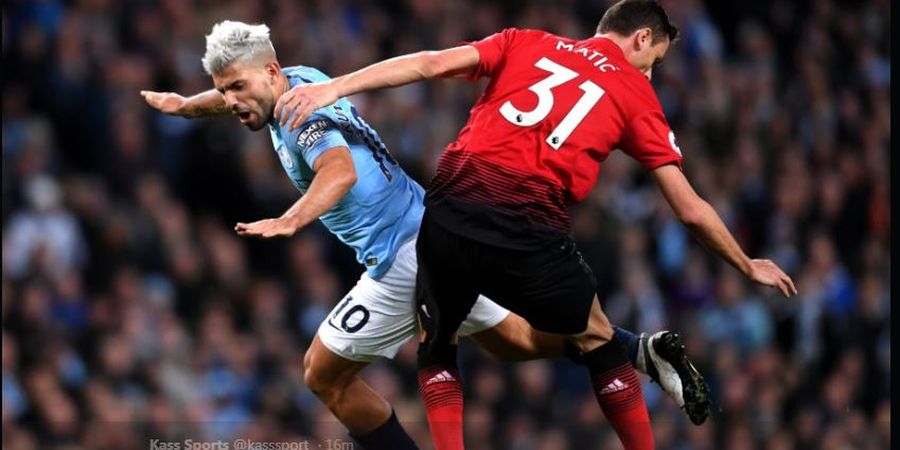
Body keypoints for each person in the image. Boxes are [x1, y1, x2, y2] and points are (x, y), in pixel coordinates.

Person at [141, 18, 712, 450]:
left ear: (269, 74)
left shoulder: (301, 120)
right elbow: (234, 96)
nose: (233, 101)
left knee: (323, 375)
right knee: (510, 340)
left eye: (237, 87)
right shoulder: (307, 81)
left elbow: (337, 171)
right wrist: (187, 107)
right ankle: (637, 348)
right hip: (433, 221)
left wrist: (293, 219)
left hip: (402, 255)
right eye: (224, 91)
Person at [273, 1, 798, 449]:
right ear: (642, 38)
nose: (650, 74)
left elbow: (431, 64)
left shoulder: (526, 40)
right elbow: (689, 208)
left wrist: (335, 86)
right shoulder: (637, 95)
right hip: (526, 230)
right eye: (654, 61)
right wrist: (744, 262)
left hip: (449, 211)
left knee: (442, 342)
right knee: (597, 341)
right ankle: (637, 369)